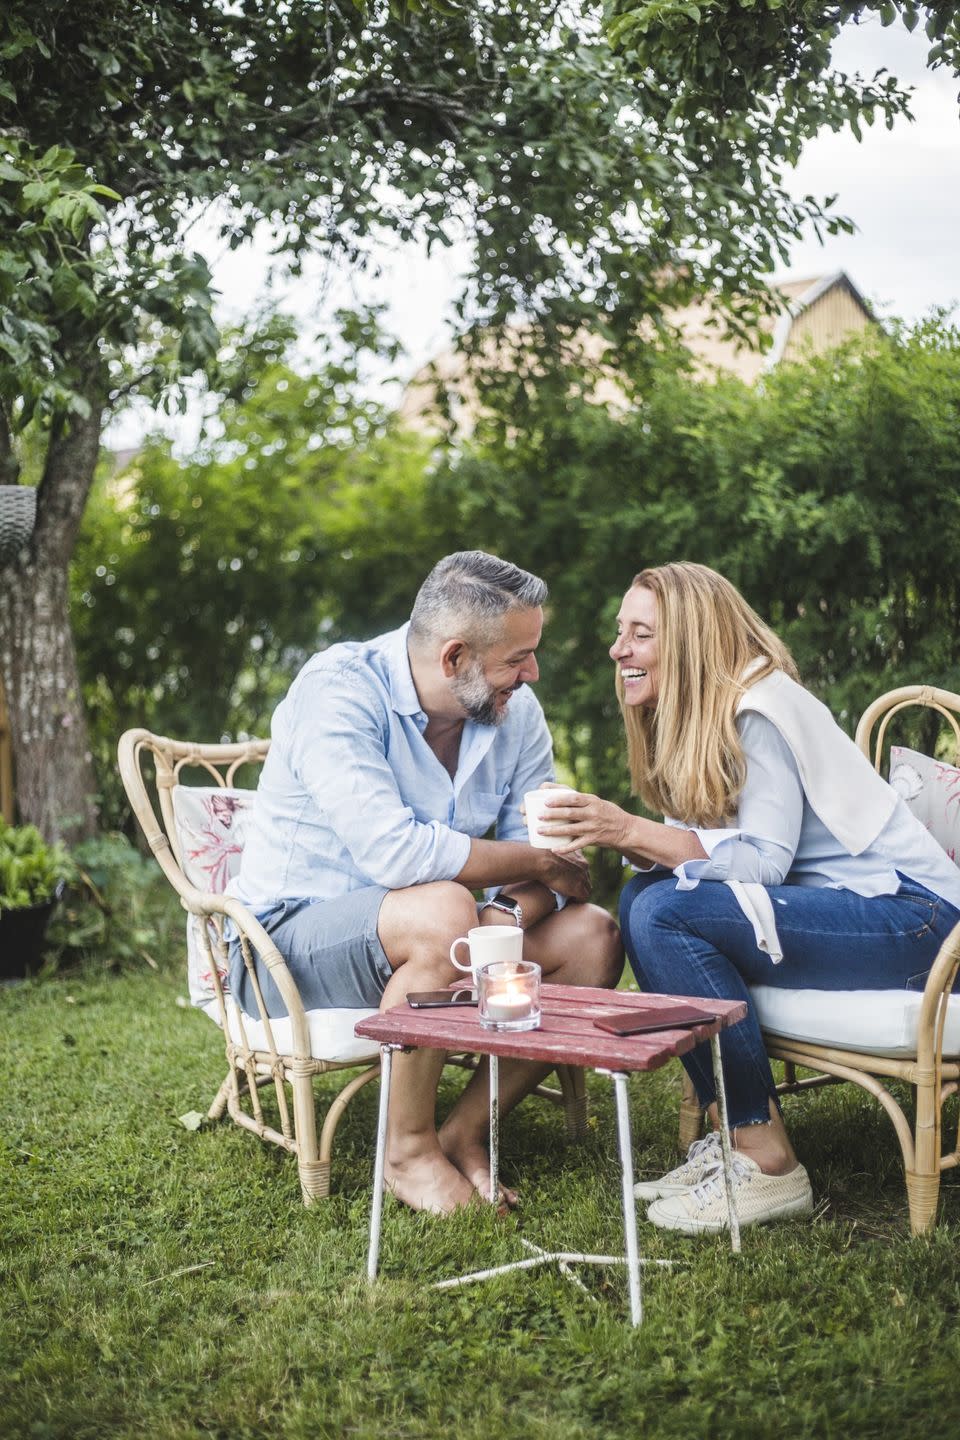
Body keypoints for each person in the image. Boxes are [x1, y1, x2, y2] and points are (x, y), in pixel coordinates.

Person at [534, 561, 960, 1234]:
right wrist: (618, 838)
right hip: (849, 913)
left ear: (692, 640)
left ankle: (767, 1164)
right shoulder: (701, 715)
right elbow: (698, 856)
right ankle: (736, 1137)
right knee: (647, 900)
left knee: (664, 910)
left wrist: (626, 827)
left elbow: (762, 866)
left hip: (918, 923)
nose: (619, 650)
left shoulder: (762, 708)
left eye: (639, 634)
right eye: (621, 632)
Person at [227, 551, 623, 1214]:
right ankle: (406, 1153)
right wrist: (527, 868)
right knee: (442, 909)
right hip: (285, 953)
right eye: (518, 657)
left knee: (593, 936)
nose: (533, 673)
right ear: (454, 658)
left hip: (449, 937)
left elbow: (558, 866)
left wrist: (505, 910)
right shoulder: (340, 689)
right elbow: (397, 854)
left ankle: (464, 1131)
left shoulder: (514, 713)